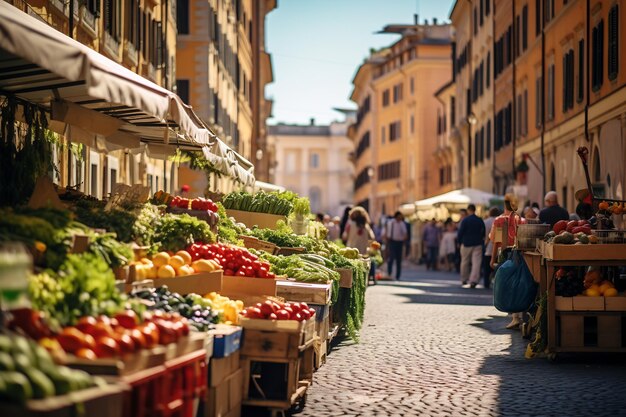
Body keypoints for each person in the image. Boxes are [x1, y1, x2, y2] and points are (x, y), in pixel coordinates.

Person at [490, 194, 527, 329]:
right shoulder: (522, 220)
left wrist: (492, 259)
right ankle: (519, 315)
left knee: (508, 286)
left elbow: (496, 241)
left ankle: (515, 316)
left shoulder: (499, 221)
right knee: (519, 284)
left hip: (505, 255)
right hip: (520, 254)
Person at [457, 204, 486, 288]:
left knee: (465, 261)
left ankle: (464, 279)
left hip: (466, 243)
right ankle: (474, 280)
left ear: (469, 210)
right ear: (474, 210)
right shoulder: (479, 220)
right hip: (477, 243)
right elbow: (483, 232)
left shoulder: (465, 220)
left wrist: (459, 242)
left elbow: (460, 232)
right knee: (476, 263)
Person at [384, 211, 408, 280]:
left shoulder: (402, 224)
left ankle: (398, 275)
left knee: (399, 259)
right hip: (392, 242)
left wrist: (403, 240)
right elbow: (386, 231)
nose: (401, 217)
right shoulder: (391, 222)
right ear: (397, 216)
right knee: (391, 258)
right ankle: (389, 273)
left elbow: (405, 234)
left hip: (399, 243)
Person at [482, 206, 501, 289]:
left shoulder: (485, 221)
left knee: (486, 267)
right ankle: (496, 282)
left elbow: (484, 234)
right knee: (497, 267)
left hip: (488, 247)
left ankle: (486, 283)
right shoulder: (500, 220)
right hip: (499, 248)